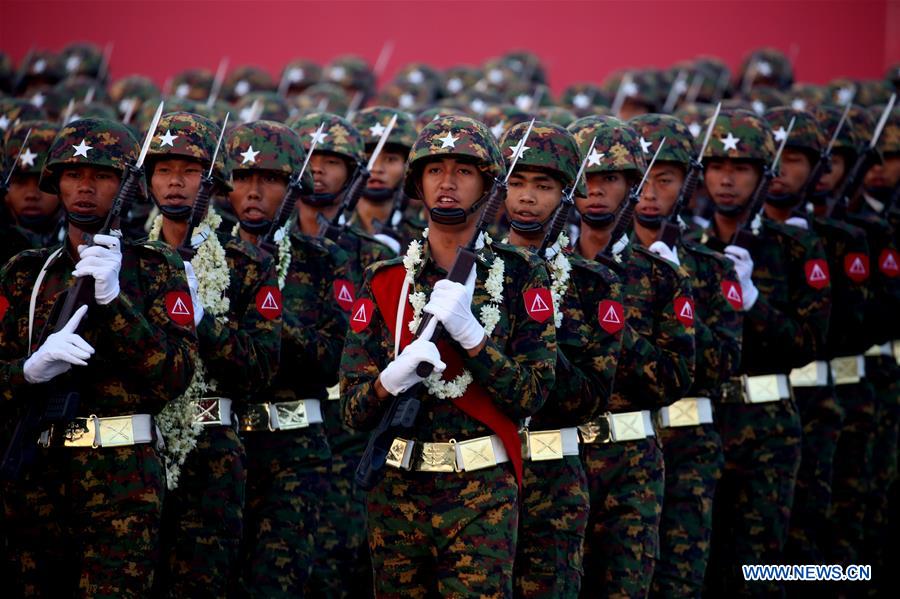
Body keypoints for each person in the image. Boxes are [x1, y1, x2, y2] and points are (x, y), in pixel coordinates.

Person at [340, 115, 557, 597]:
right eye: (436, 170)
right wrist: (388, 382)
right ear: (418, 183)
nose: (448, 183)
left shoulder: (523, 275)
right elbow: (352, 411)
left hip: (483, 493)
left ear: (486, 184)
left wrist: (474, 339)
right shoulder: (383, 280)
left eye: (463, 170)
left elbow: (534, 393)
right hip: (396, 492)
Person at [1, 116, 197, 596]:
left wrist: (116, 304)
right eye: (73, 175)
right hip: (36, 476)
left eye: (103, 176)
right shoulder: (25, 274)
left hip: (123, 480)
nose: (85, 187)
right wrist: (28, 371)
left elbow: (175, 375)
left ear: (126, 185)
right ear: (57, 182)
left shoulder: (157, 269)